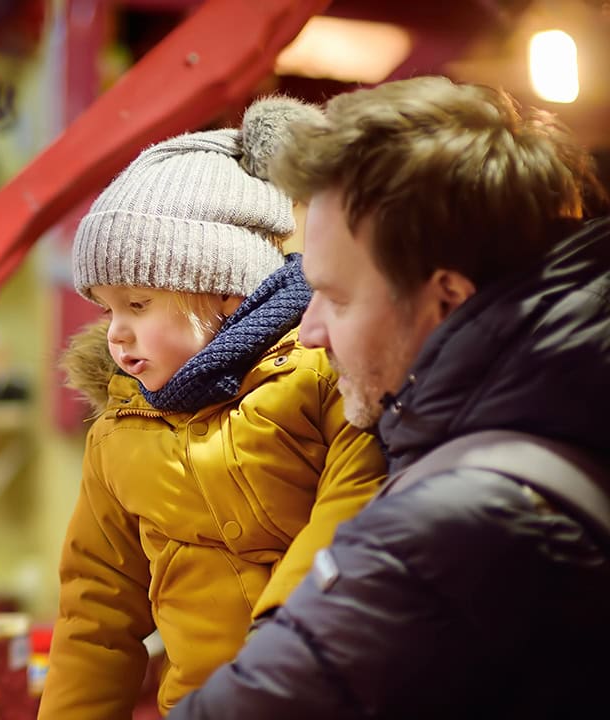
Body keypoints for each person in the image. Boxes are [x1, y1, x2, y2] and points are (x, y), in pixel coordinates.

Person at [166, 75, 610, 719]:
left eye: (338, 298)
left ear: (446, 299)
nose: (310, 333)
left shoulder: (456, 527)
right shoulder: (567, 425)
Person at [37, 96, 389, 719]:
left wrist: (270, 675)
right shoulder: (119, 436)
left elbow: (349, 526)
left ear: (223, 291)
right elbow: (95, 614)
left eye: (138, 304)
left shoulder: (325, 379)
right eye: (106, 309)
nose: (116, 333)